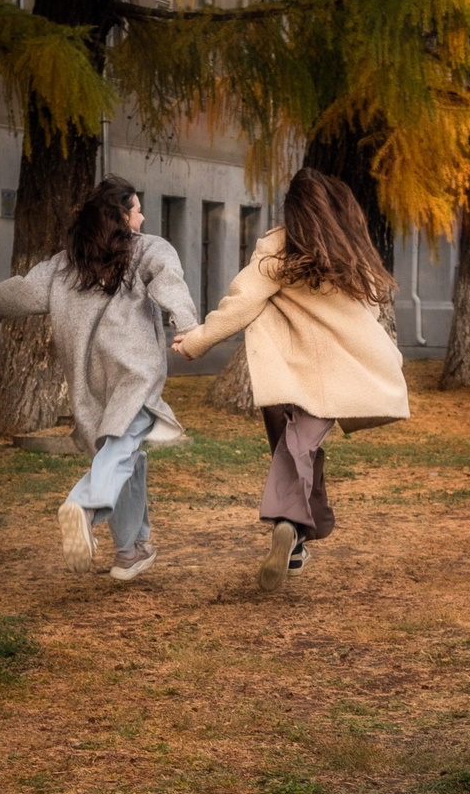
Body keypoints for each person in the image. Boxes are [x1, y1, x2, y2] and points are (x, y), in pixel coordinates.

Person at [173, 168, 411, 590]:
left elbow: (240, 304)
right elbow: (371, 312)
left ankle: (295, 539)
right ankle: (290, 525)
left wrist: (196, 341)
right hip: (334, 375)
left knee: (292, 449)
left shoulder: (276, 250)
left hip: (282, 374)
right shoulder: (349, 248)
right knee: (301, 450)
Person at [0, 177, 200, 581]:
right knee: (121, 446)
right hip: (134, 369)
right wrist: (188, 326)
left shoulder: (65, 264)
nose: (143, 216)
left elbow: (22, 291)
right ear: (123, 217)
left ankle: (132, 550)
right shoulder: (149, 247)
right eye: (137, 209)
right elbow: (170, 280)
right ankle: (84, 504)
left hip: (87, 374)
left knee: (127, 452)